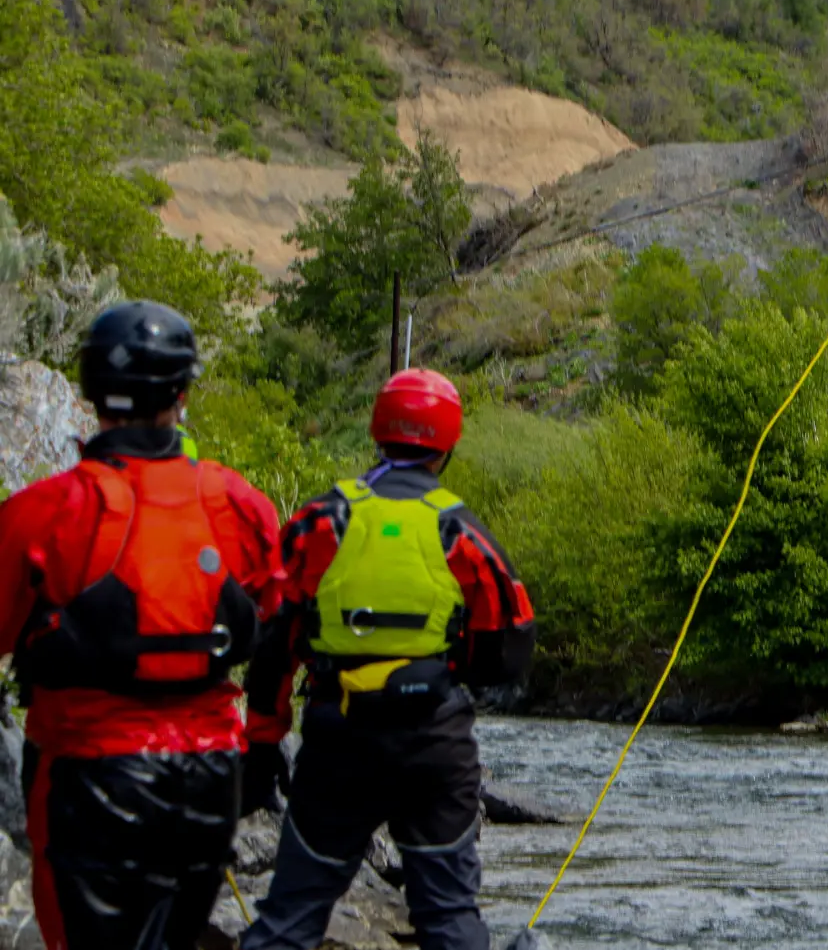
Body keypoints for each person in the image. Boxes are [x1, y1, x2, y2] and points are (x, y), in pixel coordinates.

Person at [0, 300, 283, 950]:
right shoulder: (238, 503)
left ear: (91, 390)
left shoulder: (45, 511)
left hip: (88, 775)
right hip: (208, 781)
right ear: (182, 393)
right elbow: (275, 617)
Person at [243, 368, 534, 950]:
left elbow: (273, 637)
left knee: (292, 916)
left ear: (378, 432)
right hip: (434, 743)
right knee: (449, 917)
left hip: (338, 741)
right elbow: (509, 644)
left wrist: (262, 740)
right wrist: (454, 667)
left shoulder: (322, 520)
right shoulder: (461, 531)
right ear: (447, 445)